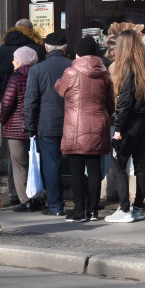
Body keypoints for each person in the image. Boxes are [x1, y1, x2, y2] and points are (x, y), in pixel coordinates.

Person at [55, 37, 114, 223]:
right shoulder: (105, 74)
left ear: (78, 53)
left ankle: (79, 212)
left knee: (77, 171)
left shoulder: (70, 72)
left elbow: (59, 89)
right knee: (95, 170)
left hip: (75, 127)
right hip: (98, 125)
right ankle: (93, 211)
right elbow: (111, 104)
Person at [0, 18, 46, 207]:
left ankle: (16, 194)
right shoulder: (37, 49)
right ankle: (34, 194)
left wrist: (6, 100)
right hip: (35, 114)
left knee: (16, 158)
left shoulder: (1, 50)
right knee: (34, 156)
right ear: (31, 31)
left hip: (12, 113)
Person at [104, 29, 145, 224]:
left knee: (117, 162)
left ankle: (124, 208)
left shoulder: (127, 68)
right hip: (144, 122)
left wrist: (118, 129)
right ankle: (138, 208)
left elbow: (125, 102)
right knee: (140, 164)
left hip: (129, 123)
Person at [23, 32, 73, 216]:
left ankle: (55, 206)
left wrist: (30, 127)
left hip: (48, 124)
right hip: (73, 123)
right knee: (77, 165)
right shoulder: (73, 66)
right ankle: (82, 204)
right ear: (65, 48)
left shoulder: (37, 70)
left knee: (51, 165)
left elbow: (31, 101)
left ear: (46, 48)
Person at [1, 46, 40, 211]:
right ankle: (38, 197)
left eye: (15, 59)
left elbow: (7, 103)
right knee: (35, 163)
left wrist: (3, 120)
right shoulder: (38, 74)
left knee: (19, 166)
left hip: (16, 128)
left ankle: (26, 200)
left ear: (21, 60)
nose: (12, 62)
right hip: (37, 126)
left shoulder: (16, 77)